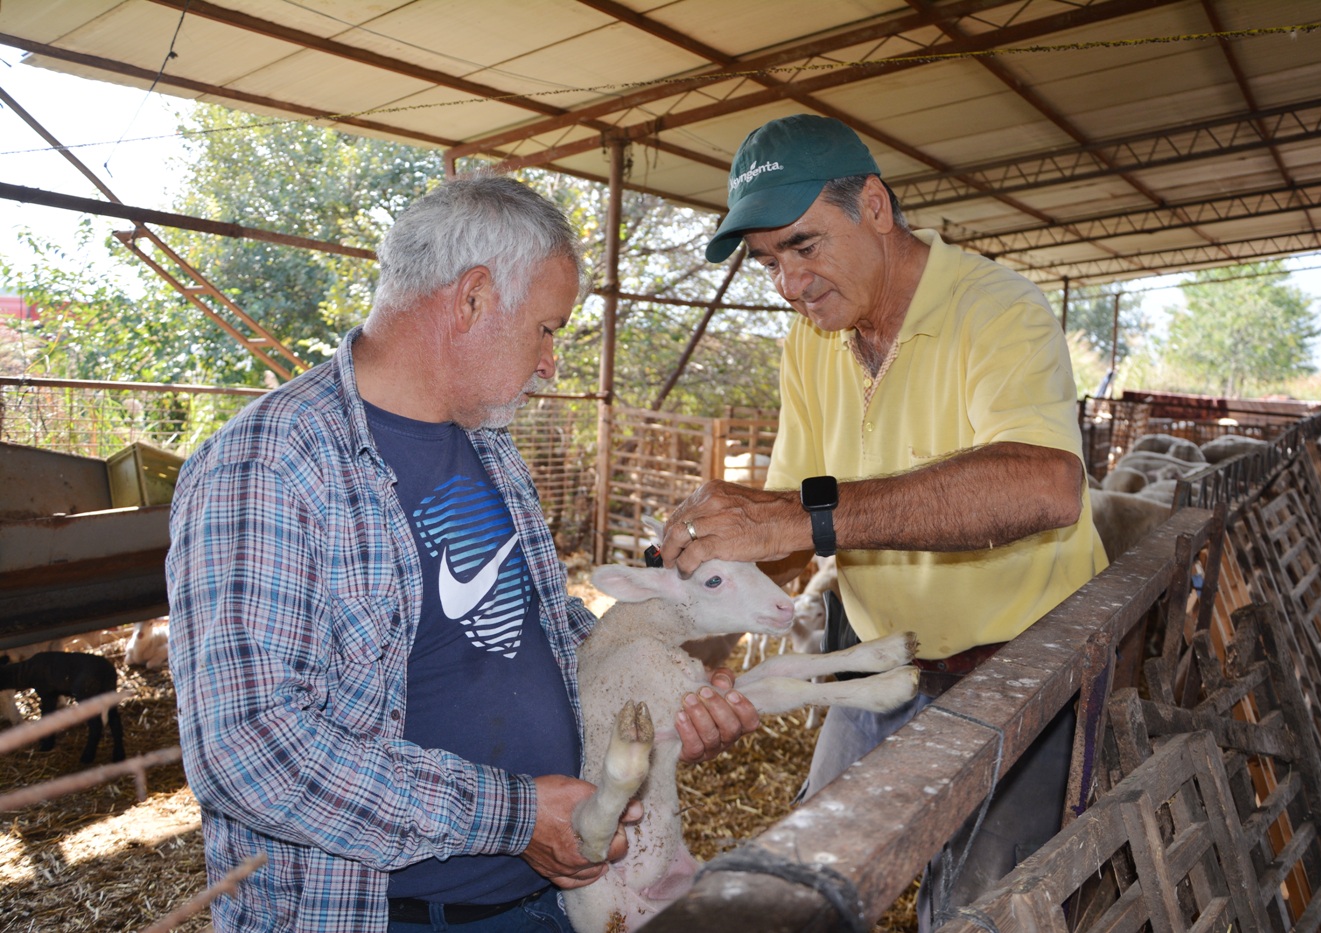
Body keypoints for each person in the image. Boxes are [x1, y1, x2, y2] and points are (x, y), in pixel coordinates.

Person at [166, 174, 759, 933]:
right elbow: (248, 747)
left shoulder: (485, 443)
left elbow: (534, 628)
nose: (552, 362)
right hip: (389, 913)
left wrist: (660, 691)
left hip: (545, 893)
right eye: (547, 328)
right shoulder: (271, 463)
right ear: (473, 297)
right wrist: (516, 817)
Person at [659, 114, 1107, 926]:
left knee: (980, 903)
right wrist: (701, 637)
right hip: (877, 658)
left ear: (873, 204)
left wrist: (804, 518)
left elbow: (1047, 487)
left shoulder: (996, 308)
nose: (790, 285)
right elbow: (791, 529)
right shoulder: (812, 342)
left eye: (804, 246)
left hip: (1020, 660)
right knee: (807, 877)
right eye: (768, 262)